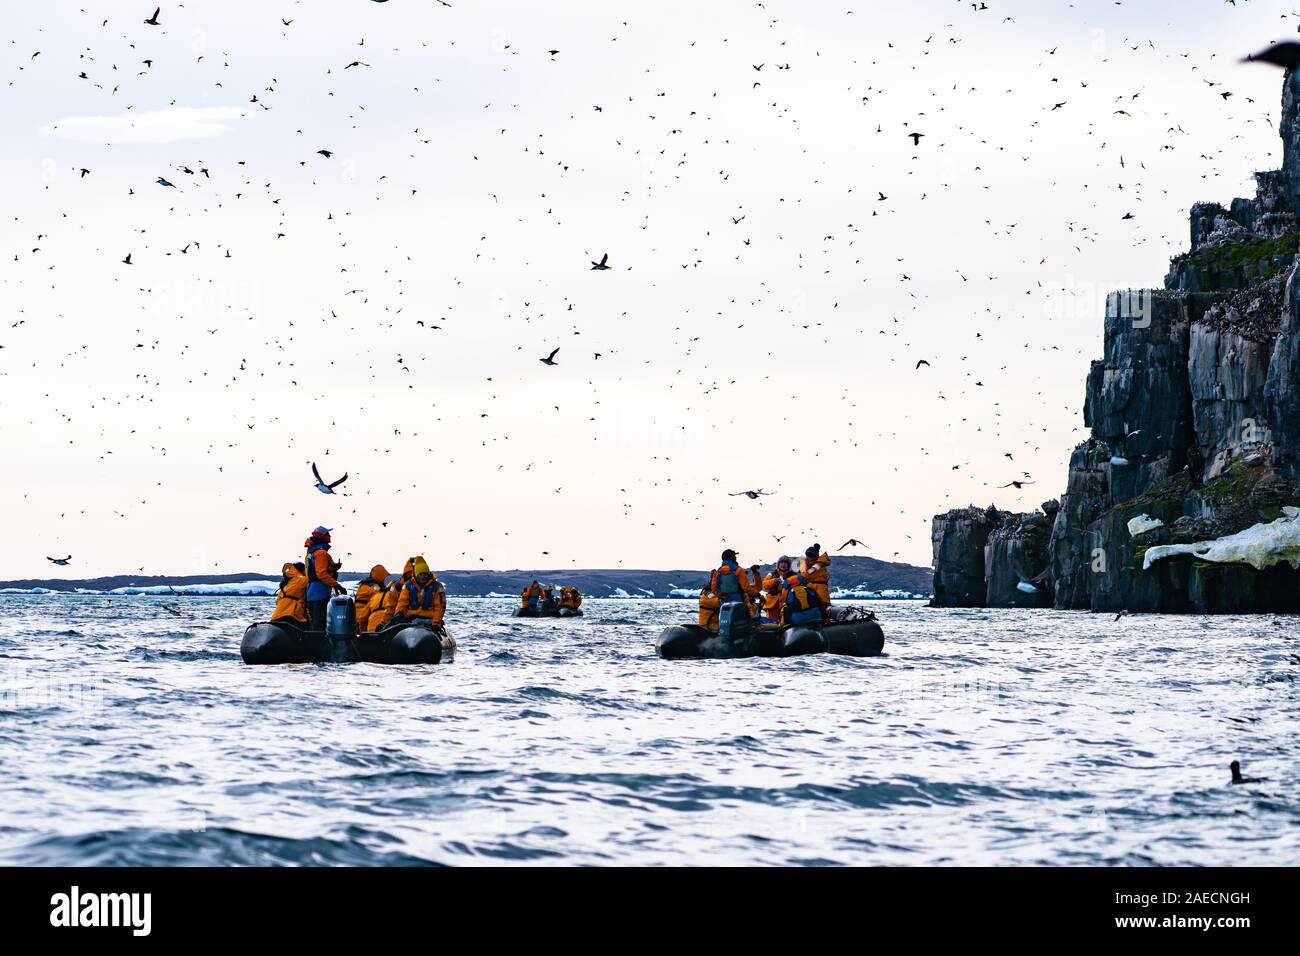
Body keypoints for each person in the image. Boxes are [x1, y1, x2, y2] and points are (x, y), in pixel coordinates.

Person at [304, 526, 343, 631]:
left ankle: (312, 644)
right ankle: (319, 645)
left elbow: (314, 570)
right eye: (327, 534)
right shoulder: (321, 553)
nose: (330, 536)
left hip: (311, 592)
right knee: (320, 623)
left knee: (314, 622)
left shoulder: (311, 553)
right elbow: (321, 574)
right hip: (320, 592)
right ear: (322, 537)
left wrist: (334, 567)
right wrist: (337, 585)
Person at [395, 556, 447, 625]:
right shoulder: (408, 586)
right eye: (421, 574)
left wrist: (436, 622)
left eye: (425, 574)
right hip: (411, 617)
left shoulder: (437, 586)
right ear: (416, 575)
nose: (423, 576)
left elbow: (440, 607)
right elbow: (402, 603)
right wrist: (399, 616)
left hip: (429, 618)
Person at [367, 557, 414, 632]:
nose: (412, 575)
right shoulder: (398, 587)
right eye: (411, 573)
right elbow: (391, 608)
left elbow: (390, 609)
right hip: (405, 624)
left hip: (379, 627)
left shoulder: (375, 596)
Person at [710, 549, 757, 614]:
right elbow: (746, 588)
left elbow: (714, 590)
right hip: (738, 601)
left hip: (724, 603)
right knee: (740, 621)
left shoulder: (718, 572)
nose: (736, 558)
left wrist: (723, 597)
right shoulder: (739, 570)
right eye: (734, 556)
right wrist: (756, 593)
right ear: (731, 558)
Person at [353, 564, 389, 633]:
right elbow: (378, 599)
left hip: (357, 618)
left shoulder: (364, 585)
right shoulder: (374, 587)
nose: (383, 581)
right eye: (383, 578)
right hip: (362, 619)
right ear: (379, 577)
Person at [760, 557, 793, 624]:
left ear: (788, 565)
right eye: (781, 563)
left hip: (786, 603)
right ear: (778, 564)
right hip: (772, 605)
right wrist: (774, 581)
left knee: (786, 622)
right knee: (771, 624)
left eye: (785, 563)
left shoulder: (792, 575)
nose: (783, 564)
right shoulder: (771, 574)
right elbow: (764, 585)